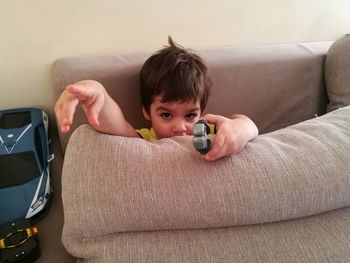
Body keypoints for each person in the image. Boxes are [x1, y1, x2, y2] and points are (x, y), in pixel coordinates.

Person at [55, 37, 258, 161]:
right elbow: (116, 124)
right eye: (166, 114)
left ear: (201, 112)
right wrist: (97, 92)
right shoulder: (145, 139)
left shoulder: (209, 131)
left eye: (190, 115)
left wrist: (240, 129)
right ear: (146, 112)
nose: (180, 127)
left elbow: (245, 123)